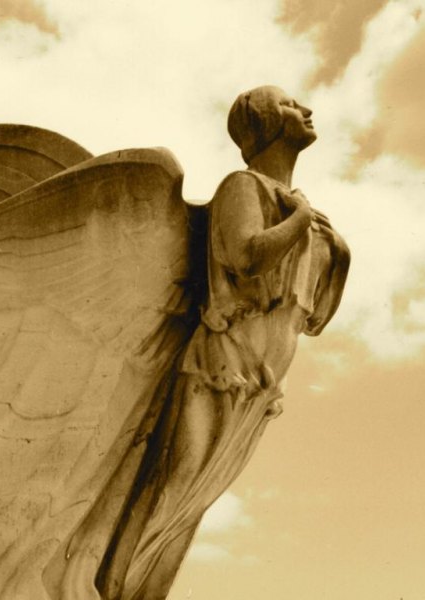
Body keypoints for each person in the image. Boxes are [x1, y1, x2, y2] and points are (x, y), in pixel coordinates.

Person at [117, 86, 350, 599]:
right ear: (265, 124)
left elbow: (317, 315)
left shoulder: (308, 217)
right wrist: (300, 219)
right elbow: (246, 257)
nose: (306, 110)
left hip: (263, 383)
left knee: (196, 499)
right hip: (223, 363)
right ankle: (111, 587)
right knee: (175, 485)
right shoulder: (244, 187)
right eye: (289, 105)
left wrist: (328, 239)